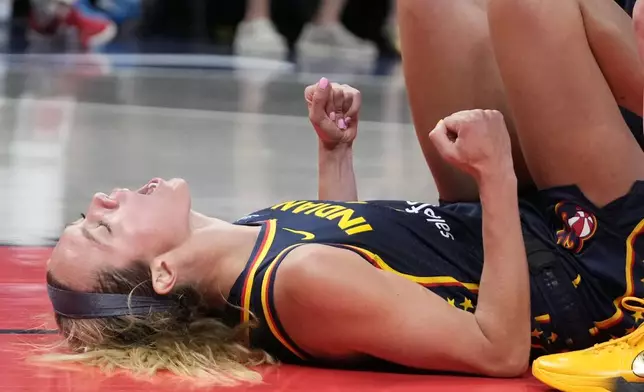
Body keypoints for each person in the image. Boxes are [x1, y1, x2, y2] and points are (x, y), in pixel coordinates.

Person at [43, 0, 644, 387]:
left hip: (510, 228)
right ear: (166, 273)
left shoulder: (247, 247)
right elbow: (498, 350)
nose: (103, 199)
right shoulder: (299, 283)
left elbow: (368, 254)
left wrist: (336, 155)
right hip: (586, 272)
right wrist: (495, 175)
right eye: (103, 228)